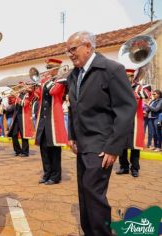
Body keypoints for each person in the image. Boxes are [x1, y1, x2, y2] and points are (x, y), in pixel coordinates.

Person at [66, 31, 136, 235]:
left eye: (73, 49)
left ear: (88, 46)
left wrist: (114, 147)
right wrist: (72, 135)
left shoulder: (111, 69)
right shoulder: (74, 75)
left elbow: (126, 108)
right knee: (85, 192)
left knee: (94, 194)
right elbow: (73, 108)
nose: (70, 54)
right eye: (67, 50)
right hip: (83, 144)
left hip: (101, 145)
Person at [35, 58, 68, 185]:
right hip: (43, 119)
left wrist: (46, 81)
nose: (48, 71)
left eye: (50, 68)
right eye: (47, 68)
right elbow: (39, 95)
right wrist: (37, 84)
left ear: (57, 69)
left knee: (54, 150)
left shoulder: (61, 80)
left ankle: (55, 176)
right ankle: (46, 173)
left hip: (53, 120)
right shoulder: (45, 81)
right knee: (44, 149)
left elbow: (53, 91)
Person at [116, 69, 151, 177]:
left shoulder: (139, 87)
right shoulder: (120, 88)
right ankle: (124, 167)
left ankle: (135, 168)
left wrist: (135, 90)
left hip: (135, 120)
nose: (127, 79)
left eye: (129, 77)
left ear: (132, 77)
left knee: (135, 147)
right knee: (122, 145)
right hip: (123, 119)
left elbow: (147, 94)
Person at [7, 82, 35, 157]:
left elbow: (24, 104)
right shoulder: (19, 95)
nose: (20, 89)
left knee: (24, 135)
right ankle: (17, 150)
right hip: (16, 116)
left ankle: (25, 152)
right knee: (14, 134)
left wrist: (16, 96)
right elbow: (12, 104)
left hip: (23, 117)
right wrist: (11, 96)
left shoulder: (28, 95)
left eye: (21, 87)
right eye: (20, 87)